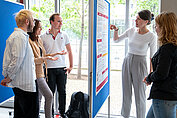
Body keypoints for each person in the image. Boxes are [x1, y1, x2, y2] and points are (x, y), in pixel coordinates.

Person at [110, 10, 157, 118]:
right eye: (136, 18)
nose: (135, 20)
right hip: (127, 61)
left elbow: (152, 57)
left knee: (139, 94)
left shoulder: (151, 36)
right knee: (126, 92)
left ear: (146, 21)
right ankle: (125, 115)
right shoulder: (131, 30)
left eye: (138, 19)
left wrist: (151, 74)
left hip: (141, 63)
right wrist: (116, 30)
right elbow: (116, 40)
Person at [1, 9, 39, 118]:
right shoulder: (19, 37)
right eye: (33, 20)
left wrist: (9, 76)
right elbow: (17, 59)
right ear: (27, 21)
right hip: (25, 85)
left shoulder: (20, 37)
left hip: (22, 83)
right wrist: (9, 77)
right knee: (29, 114)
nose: (34, 23)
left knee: (21, 113)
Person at [28, 19, 67, 118]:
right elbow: (32, 60)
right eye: (39, 27)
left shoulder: (38, 39)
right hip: (36, 74)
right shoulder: (29, 41)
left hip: (43, 73)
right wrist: (46, 58)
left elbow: (45, 54)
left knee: (40, 98)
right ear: (34, 28)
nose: (41, 29)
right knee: (49, 96)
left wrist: (57, 53)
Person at [144, 11, 177, 118]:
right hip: (170, 94)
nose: (156, 29)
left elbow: (161, 74)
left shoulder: (166, 49)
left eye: (157, 26)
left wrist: (149, 78)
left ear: (164, 28)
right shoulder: (174, 46)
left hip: (164, 97)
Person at [41, 13, 73, 118]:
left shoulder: (64, 35)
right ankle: (50, 113)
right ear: (52, 22)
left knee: (62, 92)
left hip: (62, 68)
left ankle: (62, 113)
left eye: (61, 21)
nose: (61, 23)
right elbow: (41, 54)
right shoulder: (43, 36)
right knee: (50, 93)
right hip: (49, 69)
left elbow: (69, 51)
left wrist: (71, 66)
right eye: (58, 21)